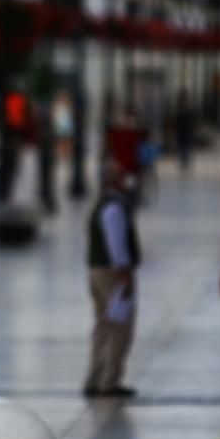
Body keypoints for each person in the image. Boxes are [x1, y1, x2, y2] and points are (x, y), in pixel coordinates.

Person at [84, 160, 142, 397]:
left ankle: (96, 378)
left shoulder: (103, 204)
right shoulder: (114, 207)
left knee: (103, 326)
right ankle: (109, 381)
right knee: (119, 327)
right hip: (111, 273)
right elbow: (116, 244)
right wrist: (124, 275)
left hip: (96, 270)